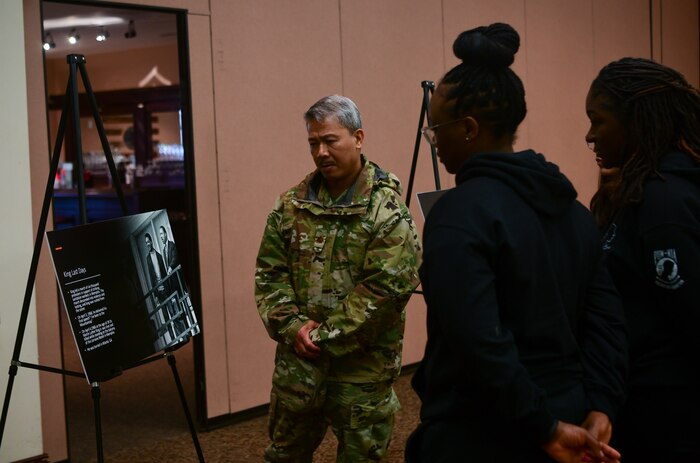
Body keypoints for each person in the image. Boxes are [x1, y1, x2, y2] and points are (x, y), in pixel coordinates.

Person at [405, 23, 627, 463]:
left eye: (436, 130)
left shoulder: (458, 214)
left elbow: (478, 339)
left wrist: (539, 425)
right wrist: (602, 406)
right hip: (574, 420)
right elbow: (606, 322)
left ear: (468, 128)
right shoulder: (574, 211)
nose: (435, 144)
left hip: (483, 433)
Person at [254, 94, 421, 462]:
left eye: (331, 140)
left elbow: (385, 291)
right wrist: (293, 326)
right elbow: (270, 275)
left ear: (358, 138)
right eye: (314, 142)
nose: (321, 152)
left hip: (361, 374)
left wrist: (319, 337)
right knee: (283, 456)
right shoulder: (290, 206)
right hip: (298, 368)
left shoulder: (387, 211)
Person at [585, 57, 700, 461]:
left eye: (598, 121)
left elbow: (689, 315)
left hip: (671, 418)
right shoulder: (639, 193)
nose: (590, 135)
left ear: (635, 120)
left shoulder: (663, 202)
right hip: (644, 406)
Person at [144, 232, 168, 300]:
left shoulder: (159, 256)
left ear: (151, 242)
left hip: (165, 289)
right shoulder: (148, 259)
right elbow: (151, 277)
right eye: (146, 243)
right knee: (164, 310)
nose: (147, 244)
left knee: (171, 310)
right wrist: (155, 295)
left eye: (148, 242)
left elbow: (165, 273)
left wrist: (168, 288)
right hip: (158, 291)